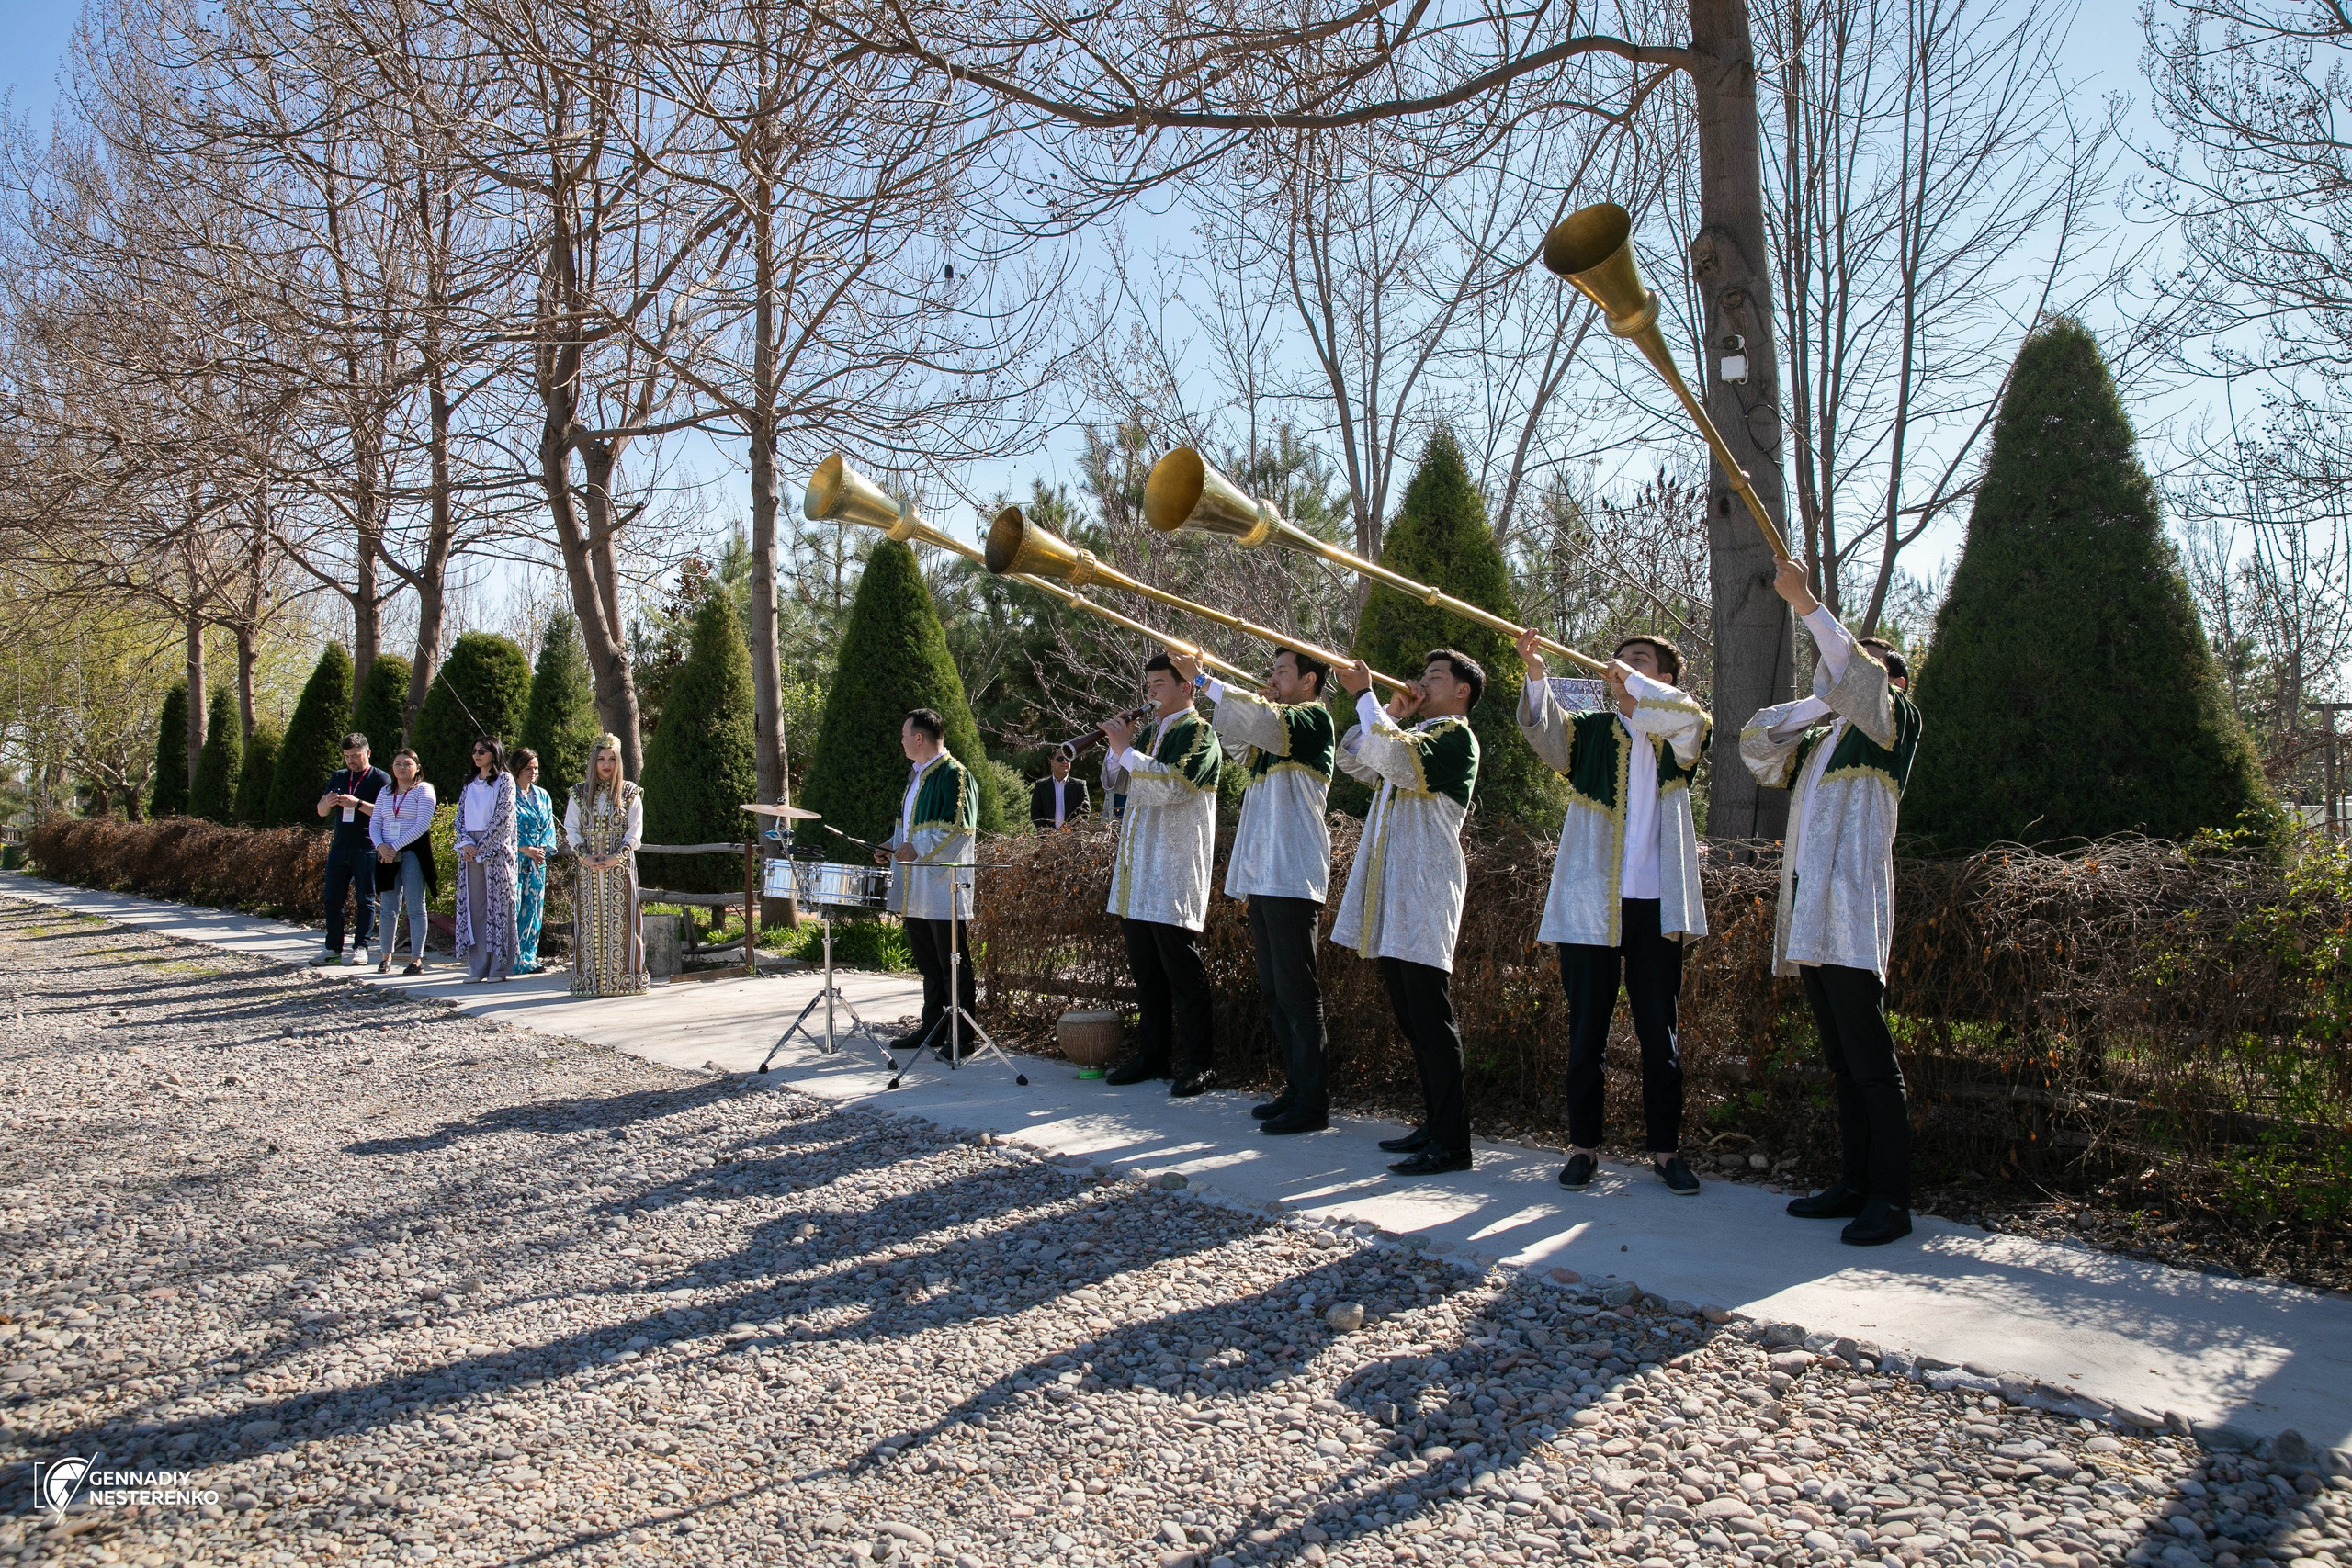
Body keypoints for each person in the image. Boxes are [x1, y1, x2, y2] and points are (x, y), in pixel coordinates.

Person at [1740, 558, 1925, 1247]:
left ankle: (1892, 1199)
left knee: (1872, 1063)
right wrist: (1821, 703)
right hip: (1809, 918)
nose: (1838, 669)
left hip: (1850, 914)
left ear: (1889, 682)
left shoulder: (1893, 722)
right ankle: (1854, 1183)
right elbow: (1757, 744)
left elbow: (1858, 675)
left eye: (1857, 665)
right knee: (1843, 1062)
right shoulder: (1822, 738)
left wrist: (1810, 606)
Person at [1515, 627, 1713, 1196]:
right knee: (1586, 1034)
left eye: (1639, 661)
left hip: (1657, 908)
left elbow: (1692, 719)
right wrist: (1536, 673)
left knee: (1659, 1036)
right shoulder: (1592, 729)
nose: (1621, 667)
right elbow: (1548, 737)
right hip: (1590, 906)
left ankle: (1666, 1152)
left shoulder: (1678, 733)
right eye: (1619, 660)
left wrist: (1642, 689)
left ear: (1664, 679)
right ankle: (1583, 1148)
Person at [1169, 645, 1336, 1136]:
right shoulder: (1276, 725)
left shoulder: (1312, 719)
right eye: (1273, 670)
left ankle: (1313, 1101)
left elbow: (1259, 721)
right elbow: (1238, 737)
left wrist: (1204, 682)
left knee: (1298, 993)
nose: (1274, 678)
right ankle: (1297, 1089)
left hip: (1292, 871)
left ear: (1308, 680)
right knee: (1275, 991)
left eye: (1283, 671)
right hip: (1266, 872)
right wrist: (1225, 695)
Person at [1331, 650, 1483, 1176]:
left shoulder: (1455, 737)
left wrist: (1364, 696)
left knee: (1432, 1020)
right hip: (1396, 892)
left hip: (1424, 892)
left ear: (1462, 691)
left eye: (1435, 676)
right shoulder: (1412, 736)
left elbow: (1396, 758)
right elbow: (1355, 760)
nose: (1422, 681)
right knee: (1413, 1020)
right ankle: (1435, 1125)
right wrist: (1389, 713)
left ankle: (1454, 1144)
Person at [1099, 653, 1223, 1096]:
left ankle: (1200, 1063)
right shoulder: (1152, 733)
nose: (1150, 692)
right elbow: (1118, 783)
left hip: (1172, 866)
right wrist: (1118, 749)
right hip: (1139, 866)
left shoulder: (1200, 732)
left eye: (1159, 684)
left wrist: (1126, 751)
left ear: (1186, 688)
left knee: (1182, 969)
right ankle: (1153, 1056)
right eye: (1148, 684)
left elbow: (1173, 786)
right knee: (1146, 970)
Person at [876, 709, 979, 1055]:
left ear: (919, 738)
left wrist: (916, 849)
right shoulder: (916, 776)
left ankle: (961, 1036)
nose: (902, 741)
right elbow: (905, 828)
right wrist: (890, 846)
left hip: (943, 886)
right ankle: (933, 1027)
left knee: (953, 961)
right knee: (928, 963)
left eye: (905, 735)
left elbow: (960, 831)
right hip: (915, 883)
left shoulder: (955, 775)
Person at [566, 733, 647, 998]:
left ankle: (623, 980)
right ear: (594, 762)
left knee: (622, 921)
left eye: (611, 759)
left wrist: (617, 856)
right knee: (588, 921)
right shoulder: (579, 793)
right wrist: (584, 856)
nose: (606, 764)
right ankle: (589, 981)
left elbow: (635, 829)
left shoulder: (630, 792)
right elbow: (571, 827)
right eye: (601, 759)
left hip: (619, 868)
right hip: (588, 868)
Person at [311, 733, 391, 967]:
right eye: (347, 757)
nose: (351, 761)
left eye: (355, 756)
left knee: (364, 899)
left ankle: (361, 947)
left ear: (368, 753)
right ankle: (332, 949)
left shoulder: (380, 778)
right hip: (339, 846)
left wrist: (357, 804)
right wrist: (328, 803)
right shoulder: (338, 776)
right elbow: (321, 811)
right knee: (332, 899)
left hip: (366, 846)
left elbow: (385, 812)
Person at [453, 737, 520, 983]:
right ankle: (477, 966)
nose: (477, 755)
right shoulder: (469, 784)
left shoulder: (505, 780)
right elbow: (459, 817)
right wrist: (466, 844)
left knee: (499, 908)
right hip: (470, 850)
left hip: (496, 850)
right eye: (475, 751)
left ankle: (499, 967)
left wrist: (483, 846)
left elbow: (504, 815)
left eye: (482, 751)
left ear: (494, 753)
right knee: (475, 908)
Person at [369, 749, 438, 976]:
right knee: (388, 907)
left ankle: (416, 959)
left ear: (417, 768)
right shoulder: (385, 792)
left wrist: (395, 846)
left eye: (407, 764)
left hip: (412, 852)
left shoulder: (423, 790)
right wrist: (381, 846)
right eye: (397, 764)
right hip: (386, 854)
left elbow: (422, 824)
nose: (401, 768)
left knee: (415, 906)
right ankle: (385, 957)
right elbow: (375, 822)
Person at [511, 748, 558, 976]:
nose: (533, 772)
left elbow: (549, 826)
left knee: (533, 908)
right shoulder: (507, 794)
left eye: (536, 768)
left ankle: (528, 958)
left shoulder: (542, 795)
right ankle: (511, 958)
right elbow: (503, 827)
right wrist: (524, 847)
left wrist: (542, 850)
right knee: (514, 906)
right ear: (517, 769)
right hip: (514, 858)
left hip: (538, 860)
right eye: (528, 768)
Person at [1029, 751, 1090, 830]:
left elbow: (1085, 812)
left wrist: (1073, 831)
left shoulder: (1079, 785)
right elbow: (1035, 813)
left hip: (1073, 835)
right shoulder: (1041, 785)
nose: (1064, 762)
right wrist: (1046, 832)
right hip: (1048, 836)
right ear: (1052, 762)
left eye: (1068, 759)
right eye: (1060, 759)